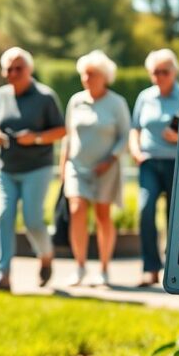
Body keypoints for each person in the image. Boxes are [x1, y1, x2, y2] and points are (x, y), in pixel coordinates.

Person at [0, 47, 66, 291]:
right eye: (8, 68)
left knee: (32, 220)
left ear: (29, 70)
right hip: (6, 168)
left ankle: (46, 255)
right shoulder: (1, 95)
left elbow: (61, 130)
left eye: (18, 68)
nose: (13, 73)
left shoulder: (45, 96)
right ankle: (3, 275)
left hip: (36, 169)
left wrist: (37, 138)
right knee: (3, 215)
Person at [59, 50, 130, 287]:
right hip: (77, 167)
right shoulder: (76, 100)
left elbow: (124, 136)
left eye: (91, 74)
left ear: (104, 76)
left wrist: (110, 160)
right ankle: (79, 266)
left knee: (102, 215)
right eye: (84, 75)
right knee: (77, 210)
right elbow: (68, 136)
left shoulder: (116, 103)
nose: (87, 79)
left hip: (106, 168)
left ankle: (104, 268)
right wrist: (63, 166)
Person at [129, 49, 179, 287]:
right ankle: (150, 268)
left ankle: (173, 270)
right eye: (155, 72)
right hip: (149, 162)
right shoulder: (145, 97)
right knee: (145, 209)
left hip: (176, 163)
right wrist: (135, 150)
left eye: (165, 71)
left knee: (175, 216)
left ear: (174, 72)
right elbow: (135, 128)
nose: (160, 76)